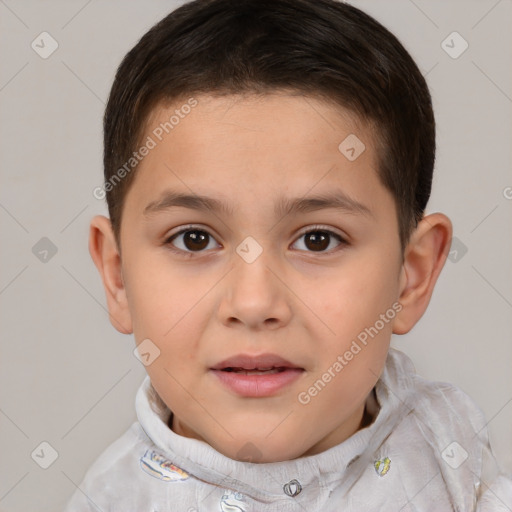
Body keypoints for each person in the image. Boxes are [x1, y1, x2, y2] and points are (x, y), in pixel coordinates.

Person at [65, 0, 512, 510]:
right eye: (194, 239)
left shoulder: (448, 446)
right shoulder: (114, 500)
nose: (254, 303)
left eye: (318, 239)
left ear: (411, 276)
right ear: (118, 276)